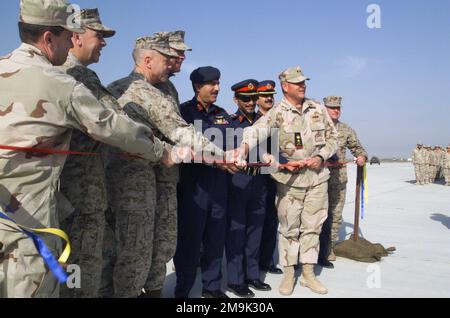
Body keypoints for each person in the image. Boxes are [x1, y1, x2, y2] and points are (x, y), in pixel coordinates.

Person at [0, 0, 168, 298]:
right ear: (49, 38)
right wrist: (162, 152)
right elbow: (115, 128)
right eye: (68, 37)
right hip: (30, 228)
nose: (71, 45)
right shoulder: (60, 84)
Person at [240, 66, 338, 295]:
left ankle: (308, 274)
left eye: (304, 82)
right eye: (297, 83)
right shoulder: (276, 113)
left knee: (312, 228)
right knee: (289, 230)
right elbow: (254, 132)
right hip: (290, 183)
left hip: (317, 179)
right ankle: (288, 275)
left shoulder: (318, 108)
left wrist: (320, 156)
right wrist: (244, 147)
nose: (303, 85)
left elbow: (333, 139)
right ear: (285, 86)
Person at [57, 8, 119, 298]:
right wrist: (162, 149)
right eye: (99, 36)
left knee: (71, 268)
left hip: (67, 198)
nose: (104, 43)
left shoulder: (58, 71)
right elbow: (120, 124)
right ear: (77, 37)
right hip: (80, 199)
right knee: (81, 269)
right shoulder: (76, 76)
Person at [174, 66, 234, 298]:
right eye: (212, 84)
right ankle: (183, 289)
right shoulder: (183, 113)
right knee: (189, 241)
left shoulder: (222, 114)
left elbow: (230, 146)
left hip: (219, 187)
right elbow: (182, 148)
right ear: (198, 86)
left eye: (218, 83)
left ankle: (212, 287)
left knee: (215, 240)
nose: (217, 88)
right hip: (193, 188)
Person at [140, 31, 192, 298]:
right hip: (138, 183)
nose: (181, 57)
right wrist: (220, 155)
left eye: (183, 53)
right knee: (136, 248)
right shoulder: (134, 88)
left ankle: (155, 291)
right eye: (175, 52)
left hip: (167, 179)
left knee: (163, 244)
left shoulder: (169, 88)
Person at [226, 79, 271, 298]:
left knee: (255, 232)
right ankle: (236, 279)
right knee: (237, 232)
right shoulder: (230, 123)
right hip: (239, 183)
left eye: (253, 98)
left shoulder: (265, 122)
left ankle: (252, 274)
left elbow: (274, 151)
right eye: (245, 98)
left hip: (260, 183)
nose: (251, 102)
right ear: (236, 99)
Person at [318, 96, 368, 268]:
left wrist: (361, 156)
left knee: (335, 215)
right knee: (315, 215)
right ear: (325, 109)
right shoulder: (316, 128)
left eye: (338, 108)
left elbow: (358, 147)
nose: (336, 110)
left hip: (338, 180)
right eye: (332, 108)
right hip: (317, 179)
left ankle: (328, 248)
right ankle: (312, 248)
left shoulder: (346, 129)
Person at [256, 80, 282, 275]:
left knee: (272, 222)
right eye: (265, 96)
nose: (269, 98)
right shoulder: (254, 121)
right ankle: (253, 264)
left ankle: (267, 261)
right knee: (256, 223)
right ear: (257, 99)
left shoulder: (279, 120)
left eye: (271, 95)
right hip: (256, 177)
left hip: (276, 178)